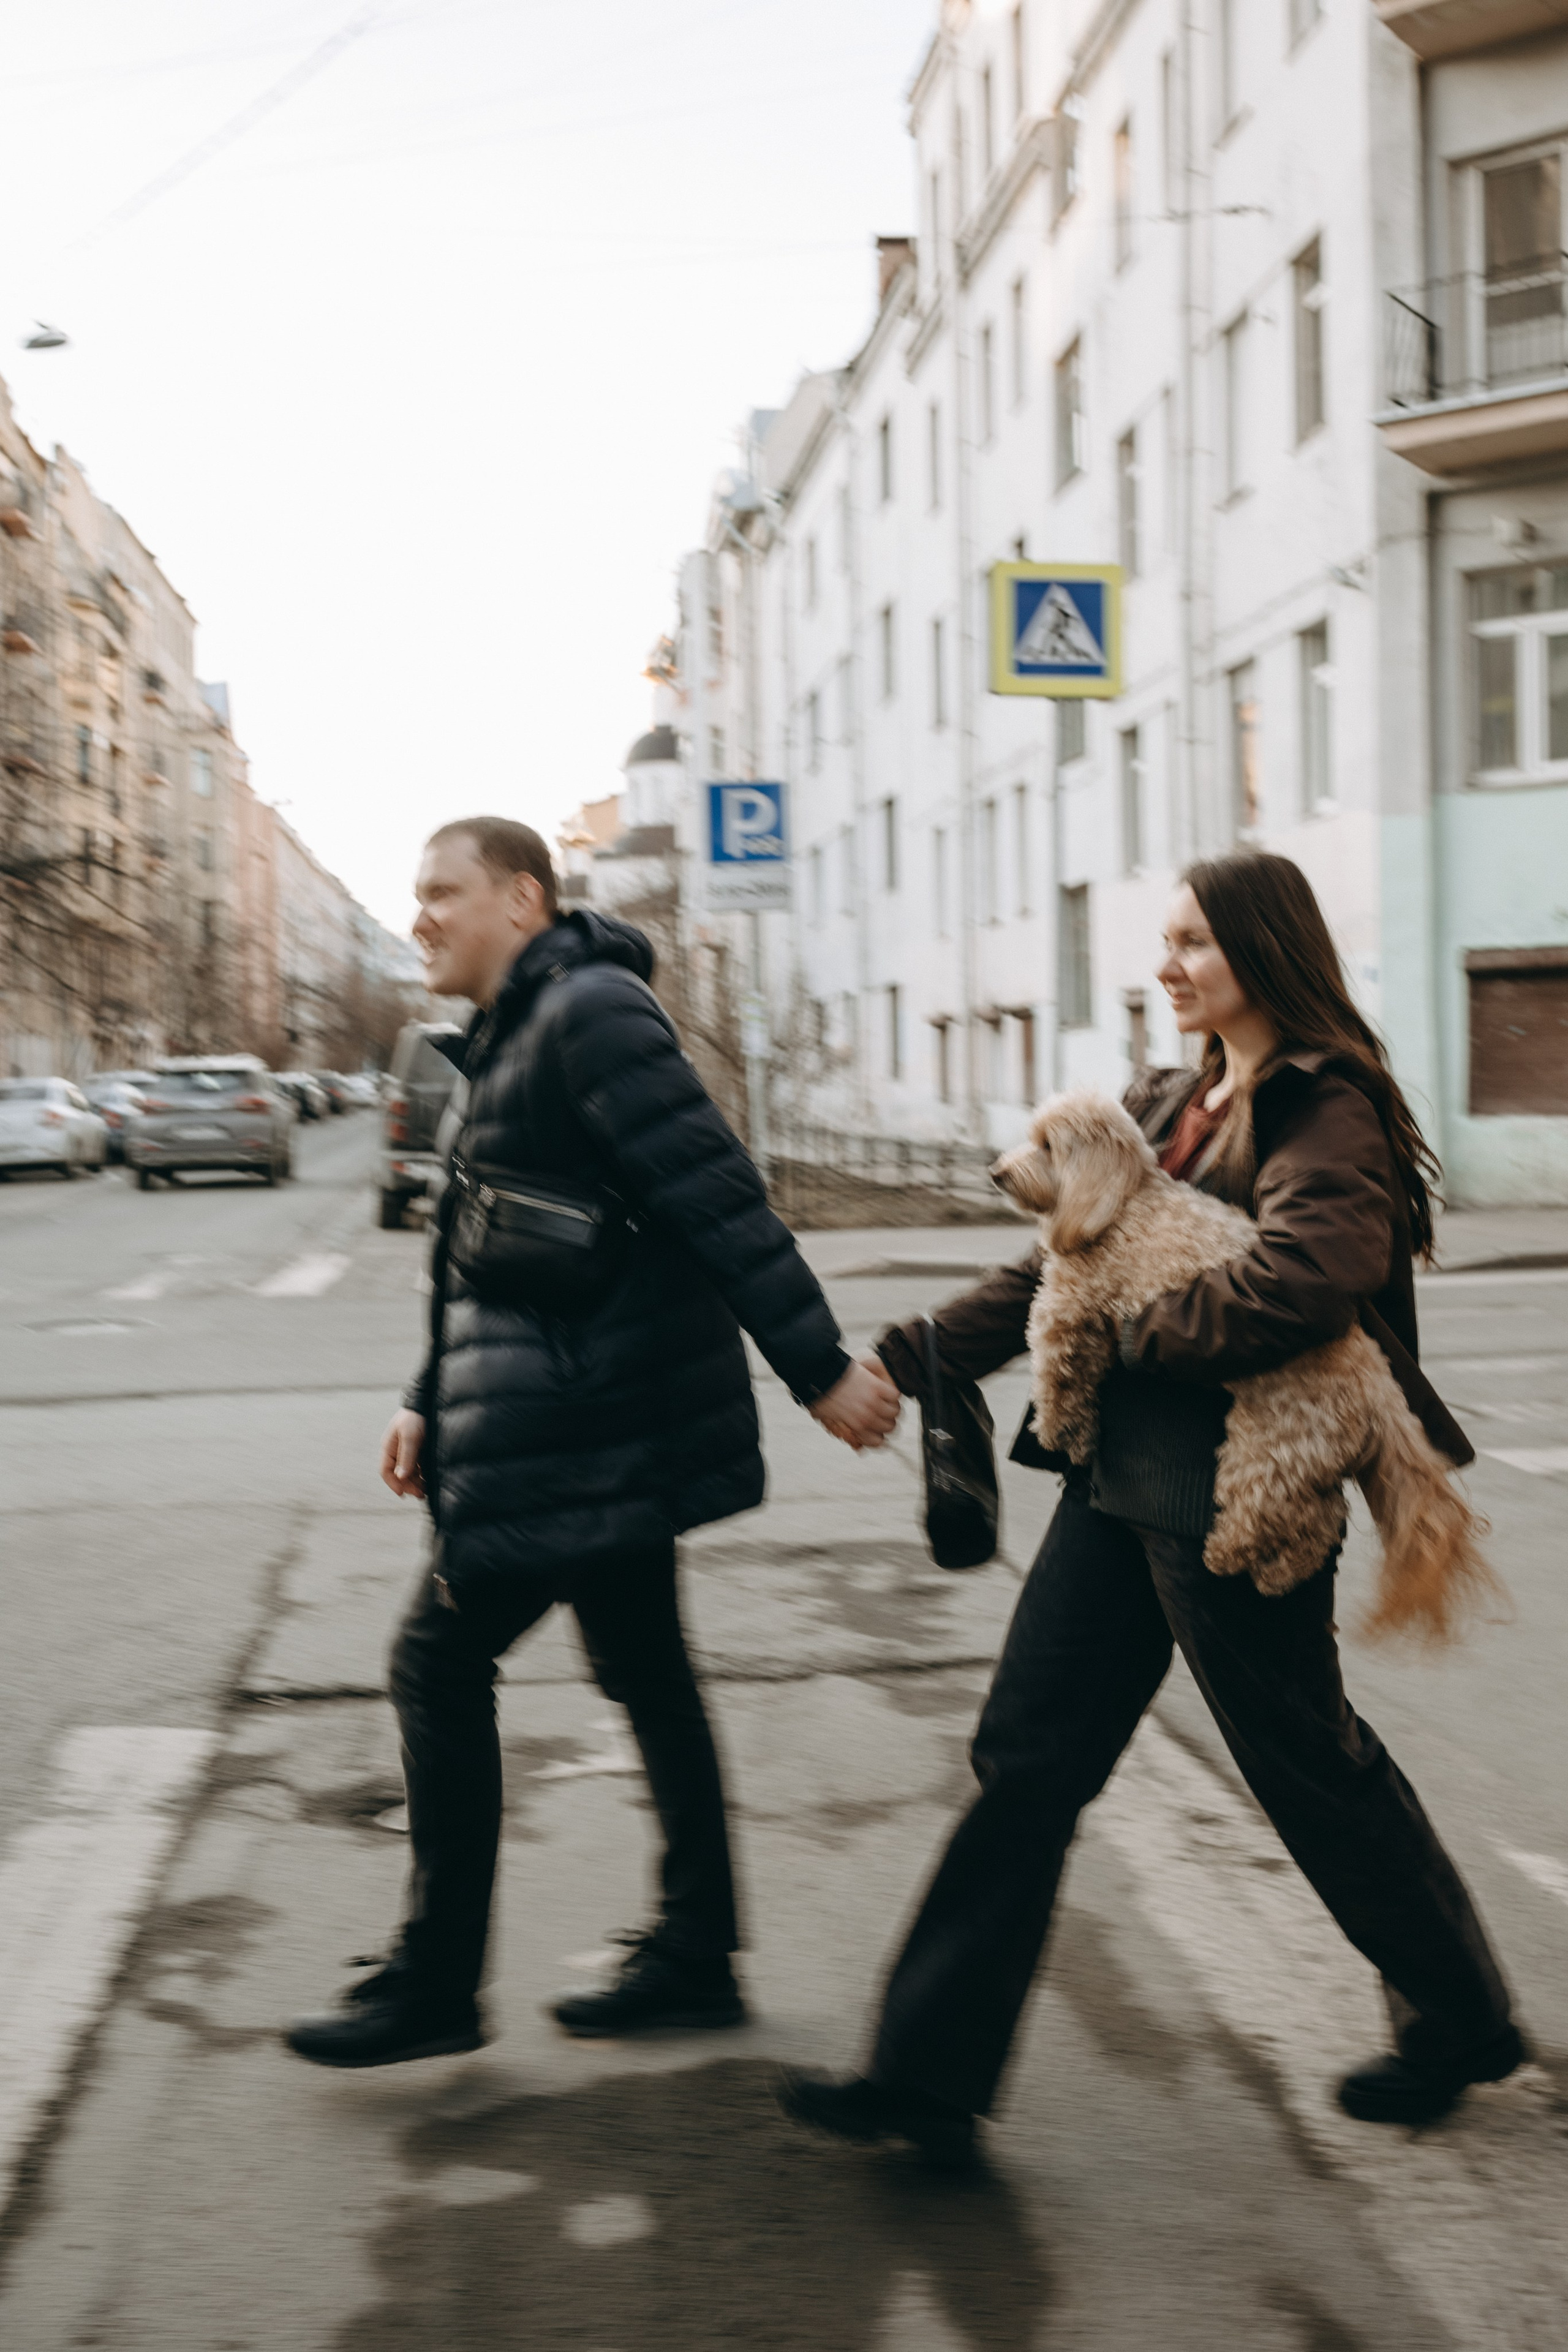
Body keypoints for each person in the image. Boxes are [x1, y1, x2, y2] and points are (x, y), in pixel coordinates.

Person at [779, 851, 1525, 2166]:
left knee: (1305, 1766)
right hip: (1116, 1489)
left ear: (1260, 950)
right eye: (1162, 941)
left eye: (1190, 942)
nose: (1164, 964)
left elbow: (1311, 1276)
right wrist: (910, 1357)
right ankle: (925, 2078)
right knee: (1027, 1756)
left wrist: (1131, 1336)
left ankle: (1457, 2017)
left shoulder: (1320, 1104)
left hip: (1235, 1495)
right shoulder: (1169, 1097)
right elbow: (1061, 1259)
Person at [287, 817, 899, 2068]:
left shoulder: (588, 1014)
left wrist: (819, 1371)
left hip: (574, 1425)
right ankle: (692, 1956)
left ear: (520, 897)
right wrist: (425, 1391)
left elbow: (713, 1189)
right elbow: (493, 1250)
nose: (421, 919)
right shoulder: (519, 1033)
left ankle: (438, 1983)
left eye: (439, 893)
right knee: (647, 1677)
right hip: (578, 1411)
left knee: (435, 1667)